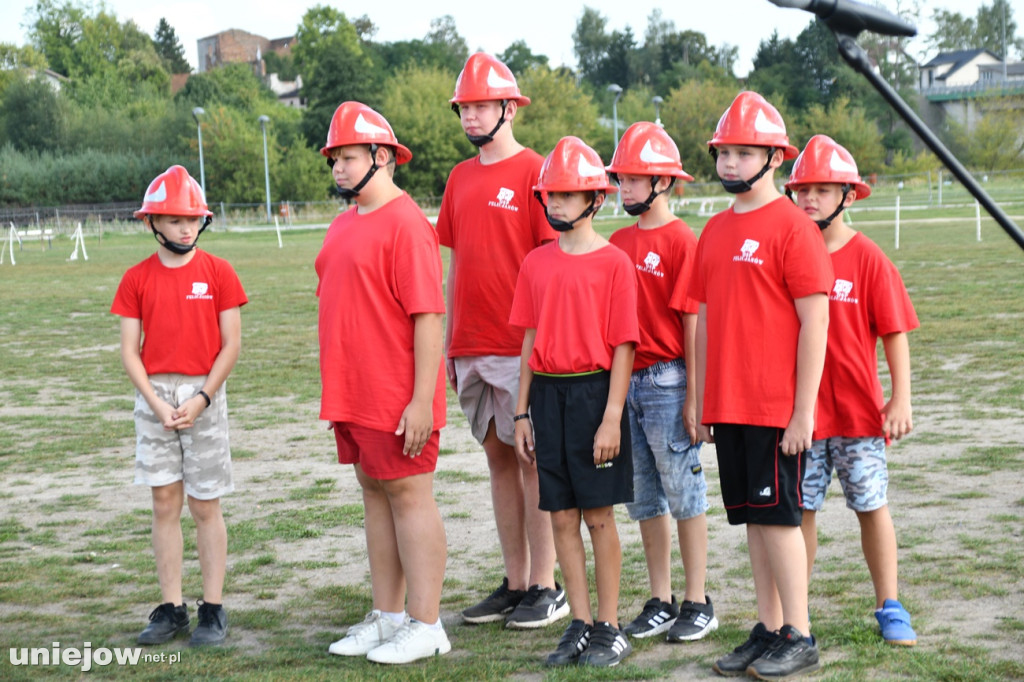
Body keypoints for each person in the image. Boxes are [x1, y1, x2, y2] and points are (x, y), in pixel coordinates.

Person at [690, 91, 833, 680]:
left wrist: (802, 412)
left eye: (743, 153)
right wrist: (700, 402)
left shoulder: (793, 228)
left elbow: (815, 322)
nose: (729, 164)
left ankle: (799, 632)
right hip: (730, 405)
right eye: (724, 153)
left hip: (776, 406)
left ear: (774, 157)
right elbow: (700, 320)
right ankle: (771, 627)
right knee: (753, 517)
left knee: (780, 517)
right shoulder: (714, 230)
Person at [315, 101, 450, 664]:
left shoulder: (408, 225)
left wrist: (422, 400)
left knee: (409, 497)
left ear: (381, 157)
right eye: (334, 160)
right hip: (353, 390)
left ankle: (427, 623)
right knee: (373, 494)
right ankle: (389, 615)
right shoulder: (344, 222)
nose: (338, 169)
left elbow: (428, 317)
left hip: (397, 395)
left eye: (346, 157)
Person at [438, 52, 566, 629]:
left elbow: (552, 267)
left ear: (509, 108)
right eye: (464, 107)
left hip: (520, 347)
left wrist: (543, 348)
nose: (470, 116)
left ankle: (548, 583)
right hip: (469, 341)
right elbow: (455, 263)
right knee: (497, 460)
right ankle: (515, 581)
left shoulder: (538, 173)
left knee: (532, 459)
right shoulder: (460, 177)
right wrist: (446, 341)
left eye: (481, 105)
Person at [785, 134, 919, 647]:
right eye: (803, 189)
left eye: (823, 188)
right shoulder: (791, 252)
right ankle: (797, 614)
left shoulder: (867, 258)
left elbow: (894, 331)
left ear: (849, 194)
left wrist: (900, 397)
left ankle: (890, 604)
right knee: (801, 513)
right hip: (804, 417)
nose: (810, 198)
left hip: (859, 417)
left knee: (872, 506)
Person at [510, 136, 639, 667]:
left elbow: (624, 345)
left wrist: (611, 417)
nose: (556, 203)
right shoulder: (536, 263)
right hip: (547, 395)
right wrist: (521, 410)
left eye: (567, 194)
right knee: (560, 516)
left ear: (595, 199)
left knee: (599, 516)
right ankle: (580, 622)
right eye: (550, 195)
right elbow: (528, 340)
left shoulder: (614, 264)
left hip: (595, 394)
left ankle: (610, 625)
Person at [111, 165, 247, 647]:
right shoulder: (136, 278)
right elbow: (130, 350)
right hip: (154, 397)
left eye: (192, 218)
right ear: (152, 223)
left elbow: (231, 344)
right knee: (164, 502)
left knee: (204, 503)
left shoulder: (218, 272)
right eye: (173, 219)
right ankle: (171, 609)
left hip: (204, 394)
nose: (185, 227)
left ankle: (213, 609)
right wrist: (155, 402)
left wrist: (202, 397)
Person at [606, 121, 718, 644]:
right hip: (623, 383)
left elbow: (693, 324)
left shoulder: (680, 241)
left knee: (685, 492)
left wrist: (697, 397)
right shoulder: (616, 241)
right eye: (621, 179)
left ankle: (698, 600)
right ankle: (660, 597)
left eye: (633, 180)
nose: (623, 189)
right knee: (643, 496)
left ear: (664, 184)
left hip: (669, 382)